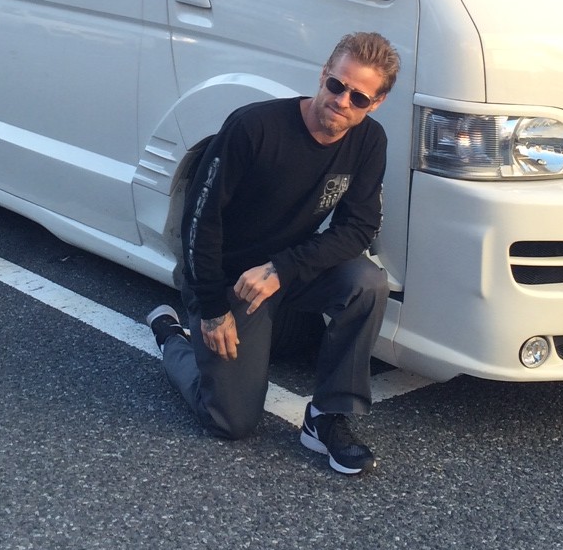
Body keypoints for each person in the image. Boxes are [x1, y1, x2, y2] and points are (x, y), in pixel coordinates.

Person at [147, 31, 399, 476]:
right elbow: (200, 221)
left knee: (367, 283)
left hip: (282, 275)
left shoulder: (369, 141)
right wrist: (211, 308)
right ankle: (172, 337)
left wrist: (283, 268)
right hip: (229, 283)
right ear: (323, 74)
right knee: (231, 421)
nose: (341, 101)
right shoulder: (254, 127)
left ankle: (327, 418)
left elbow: (359, 227)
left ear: (375, 103)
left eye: (358, 97)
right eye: (337, 85)